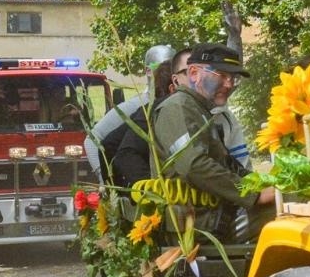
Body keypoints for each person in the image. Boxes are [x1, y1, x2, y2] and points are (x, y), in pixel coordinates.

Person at [151, 44, 276, 241]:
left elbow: (227, 165)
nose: (229, 84)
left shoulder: (197, 109)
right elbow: (194, 165)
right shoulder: (176, 107)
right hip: (202, 223)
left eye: (233, 78)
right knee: (292, 209)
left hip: (215, 215)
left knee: (293, 199)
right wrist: (254, 195)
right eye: (222, 75)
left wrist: (268, 183)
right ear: (193, 73)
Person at [88, 44, 175, 182]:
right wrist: (106, 178)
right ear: (148, 71)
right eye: (163, 67)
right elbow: (93, 139)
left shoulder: (175, 105)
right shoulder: (132, 107)